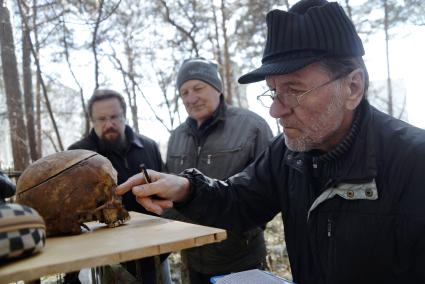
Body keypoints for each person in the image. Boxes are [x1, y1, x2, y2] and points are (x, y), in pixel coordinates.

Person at [116, 0, 425, 283]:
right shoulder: (287, 153)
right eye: (274, 91)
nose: (276, 109)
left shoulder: (414, 162)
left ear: (353, 87)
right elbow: (239, 202)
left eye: (294, 89)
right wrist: (186, 189)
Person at [164, 58, 273, 283]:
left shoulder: (252, 127)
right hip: (193, 259)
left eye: (197, 88)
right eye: (184, 92)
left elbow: (270, 190)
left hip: (241, 260)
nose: (191, 98)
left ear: (217, 88)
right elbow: (171, 196)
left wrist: (241, 235)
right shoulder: (176, 137)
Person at [68, 89, 171, 284]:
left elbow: (165, 194)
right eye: (101, 119)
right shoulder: (77, 155)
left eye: (115, 117)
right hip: (107, 258)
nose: (109, 124)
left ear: (124, 115)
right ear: (92, 121)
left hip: (155, 252)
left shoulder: (149, 147)